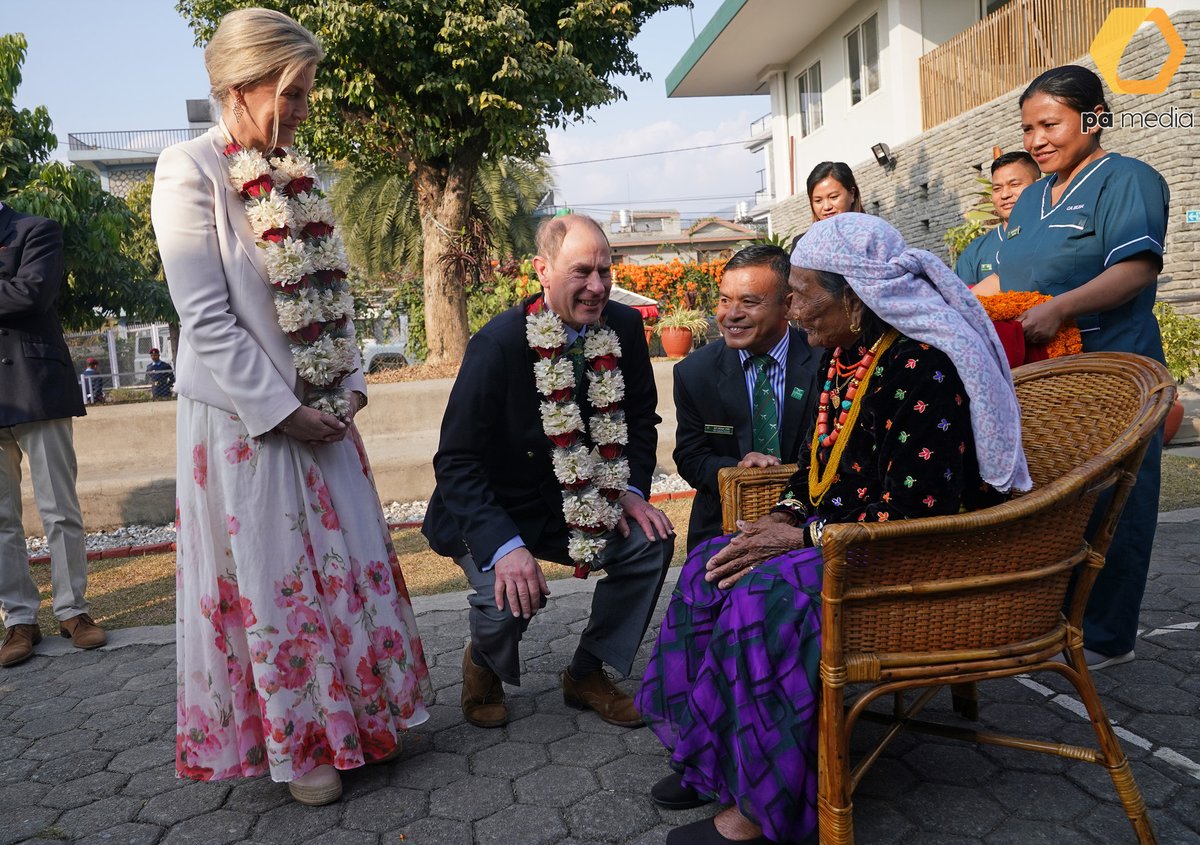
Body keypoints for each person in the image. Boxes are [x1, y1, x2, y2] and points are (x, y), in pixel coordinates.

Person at [637, 213, 1029, 845]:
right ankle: (715, 759)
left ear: (854, 294)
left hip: (905, 557)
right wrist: (783, 515)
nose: (789, 309)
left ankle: (759, 814)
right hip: (846, 537)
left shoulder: (922, 366)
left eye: (799, 294)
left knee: (769, 596)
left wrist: (805, 534)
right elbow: (817, 472)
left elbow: (920, 511)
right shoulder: (846, 356)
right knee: (710, 564)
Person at [151, 8, 429, 805]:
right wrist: (281, 409)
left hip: (322, 413)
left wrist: (349, 386)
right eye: (296, 93)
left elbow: (333, 300)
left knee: (345, 566)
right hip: (249, 423)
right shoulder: (188, 169)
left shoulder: (291, 173)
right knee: (275, 580)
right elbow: (206, 319)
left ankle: (362, 721)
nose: (304, 111)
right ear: (243, 86)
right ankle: (302, 743)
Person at [423, 213, 674, 731]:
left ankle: (585, 672)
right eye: (581, 271)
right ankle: (483, 663)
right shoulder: (498, 343)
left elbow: (640, 420)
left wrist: (627, 489)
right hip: (496, 510)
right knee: (512, 594)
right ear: (542, 270)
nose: (598, 286)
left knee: (650, 543)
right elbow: (456, 460)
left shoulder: (624, 328)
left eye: (606, 270)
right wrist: (505, 547)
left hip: (580, 501)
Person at [984, 65, 1170, 671]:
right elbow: (1006, 280)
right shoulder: (1035, 195)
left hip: (1114, 369)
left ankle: (1105, 636)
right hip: (1048, 376)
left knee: (1115, 499)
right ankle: (1049, 625)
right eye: (1028, 128)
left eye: (1050, 124)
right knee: (1054, 497)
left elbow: (1136, 269)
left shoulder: (1128, 180)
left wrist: (1061, 308)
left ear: (1093, 118)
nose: (1037, 139)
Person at [1, 204, 107, 668]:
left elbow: (32, 295)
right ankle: (19, 620)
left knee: (59, 508)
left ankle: (74, 611)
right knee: (0, 519)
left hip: (36, 385)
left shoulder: (35, 229)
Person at [672, 244, 821, 551]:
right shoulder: (694, 373)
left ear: (788, 305)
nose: (731, 315)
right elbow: (690, 456)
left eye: (749, 302)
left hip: (810, 526)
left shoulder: (826, 361)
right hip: (724, 528)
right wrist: (738, 469)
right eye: (725, 300)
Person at [954, 151, 1040, 285]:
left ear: (1039, 185)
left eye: (1014, 184)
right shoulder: (975, 252)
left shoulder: (1057, 234)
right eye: (997, 188)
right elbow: (960, 299)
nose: (1005, 194)